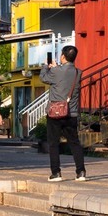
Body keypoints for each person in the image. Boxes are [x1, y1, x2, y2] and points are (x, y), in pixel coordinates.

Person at [41, 45, 86, 182]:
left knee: (54, 143)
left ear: (63, 56)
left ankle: (56, 173)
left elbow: (43, 78)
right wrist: (55, 68)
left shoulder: (56, 71)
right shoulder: (79, 72)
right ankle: (81, 172)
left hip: (55, 114)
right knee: (74, 143)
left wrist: (45, 66)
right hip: (71, 114)